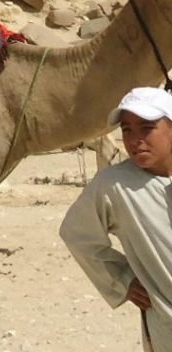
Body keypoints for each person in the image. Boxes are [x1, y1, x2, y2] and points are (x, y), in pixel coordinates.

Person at [60, 87, 172, 352]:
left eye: (146, 128)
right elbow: (76, 233)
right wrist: (122, 278)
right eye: (127, 130)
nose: (135, 140)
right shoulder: (114, 185)